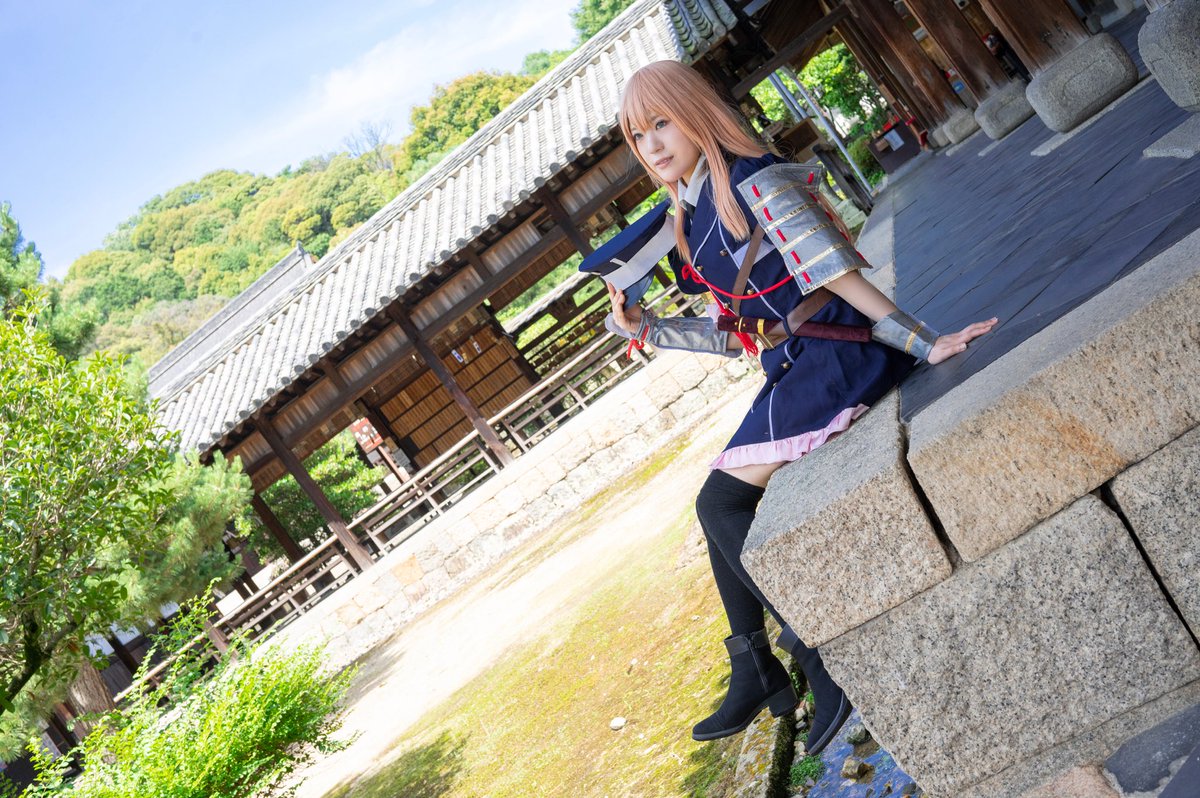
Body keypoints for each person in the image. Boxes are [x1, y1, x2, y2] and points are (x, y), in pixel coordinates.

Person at [602, 60, 996, 755]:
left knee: (717, 503)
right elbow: (735, 335)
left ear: (695, 113)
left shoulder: (755, 181)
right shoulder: (691, 218)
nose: (653, 144)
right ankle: (757, 666)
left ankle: (800, 656)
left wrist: (922, 341)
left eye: (662, 122)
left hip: (837, 355)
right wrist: (647, 329)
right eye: (638, 135)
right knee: (717, 506)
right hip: (792, 366)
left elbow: (835, 270)